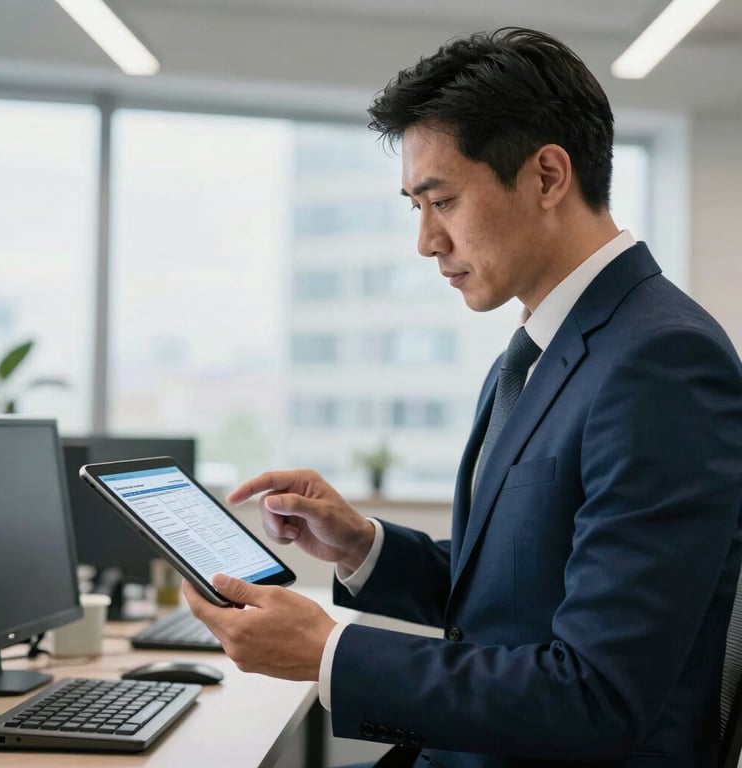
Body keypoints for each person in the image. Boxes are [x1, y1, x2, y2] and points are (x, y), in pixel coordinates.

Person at [183, 27, 742, 767]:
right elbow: (518, 589)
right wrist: (364, 547)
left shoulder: (662, 359)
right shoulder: (542, 348)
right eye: (414, 206)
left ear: (547, 177)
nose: (425, 241)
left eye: (440, 200)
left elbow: (599, 695)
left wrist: (329, 652)